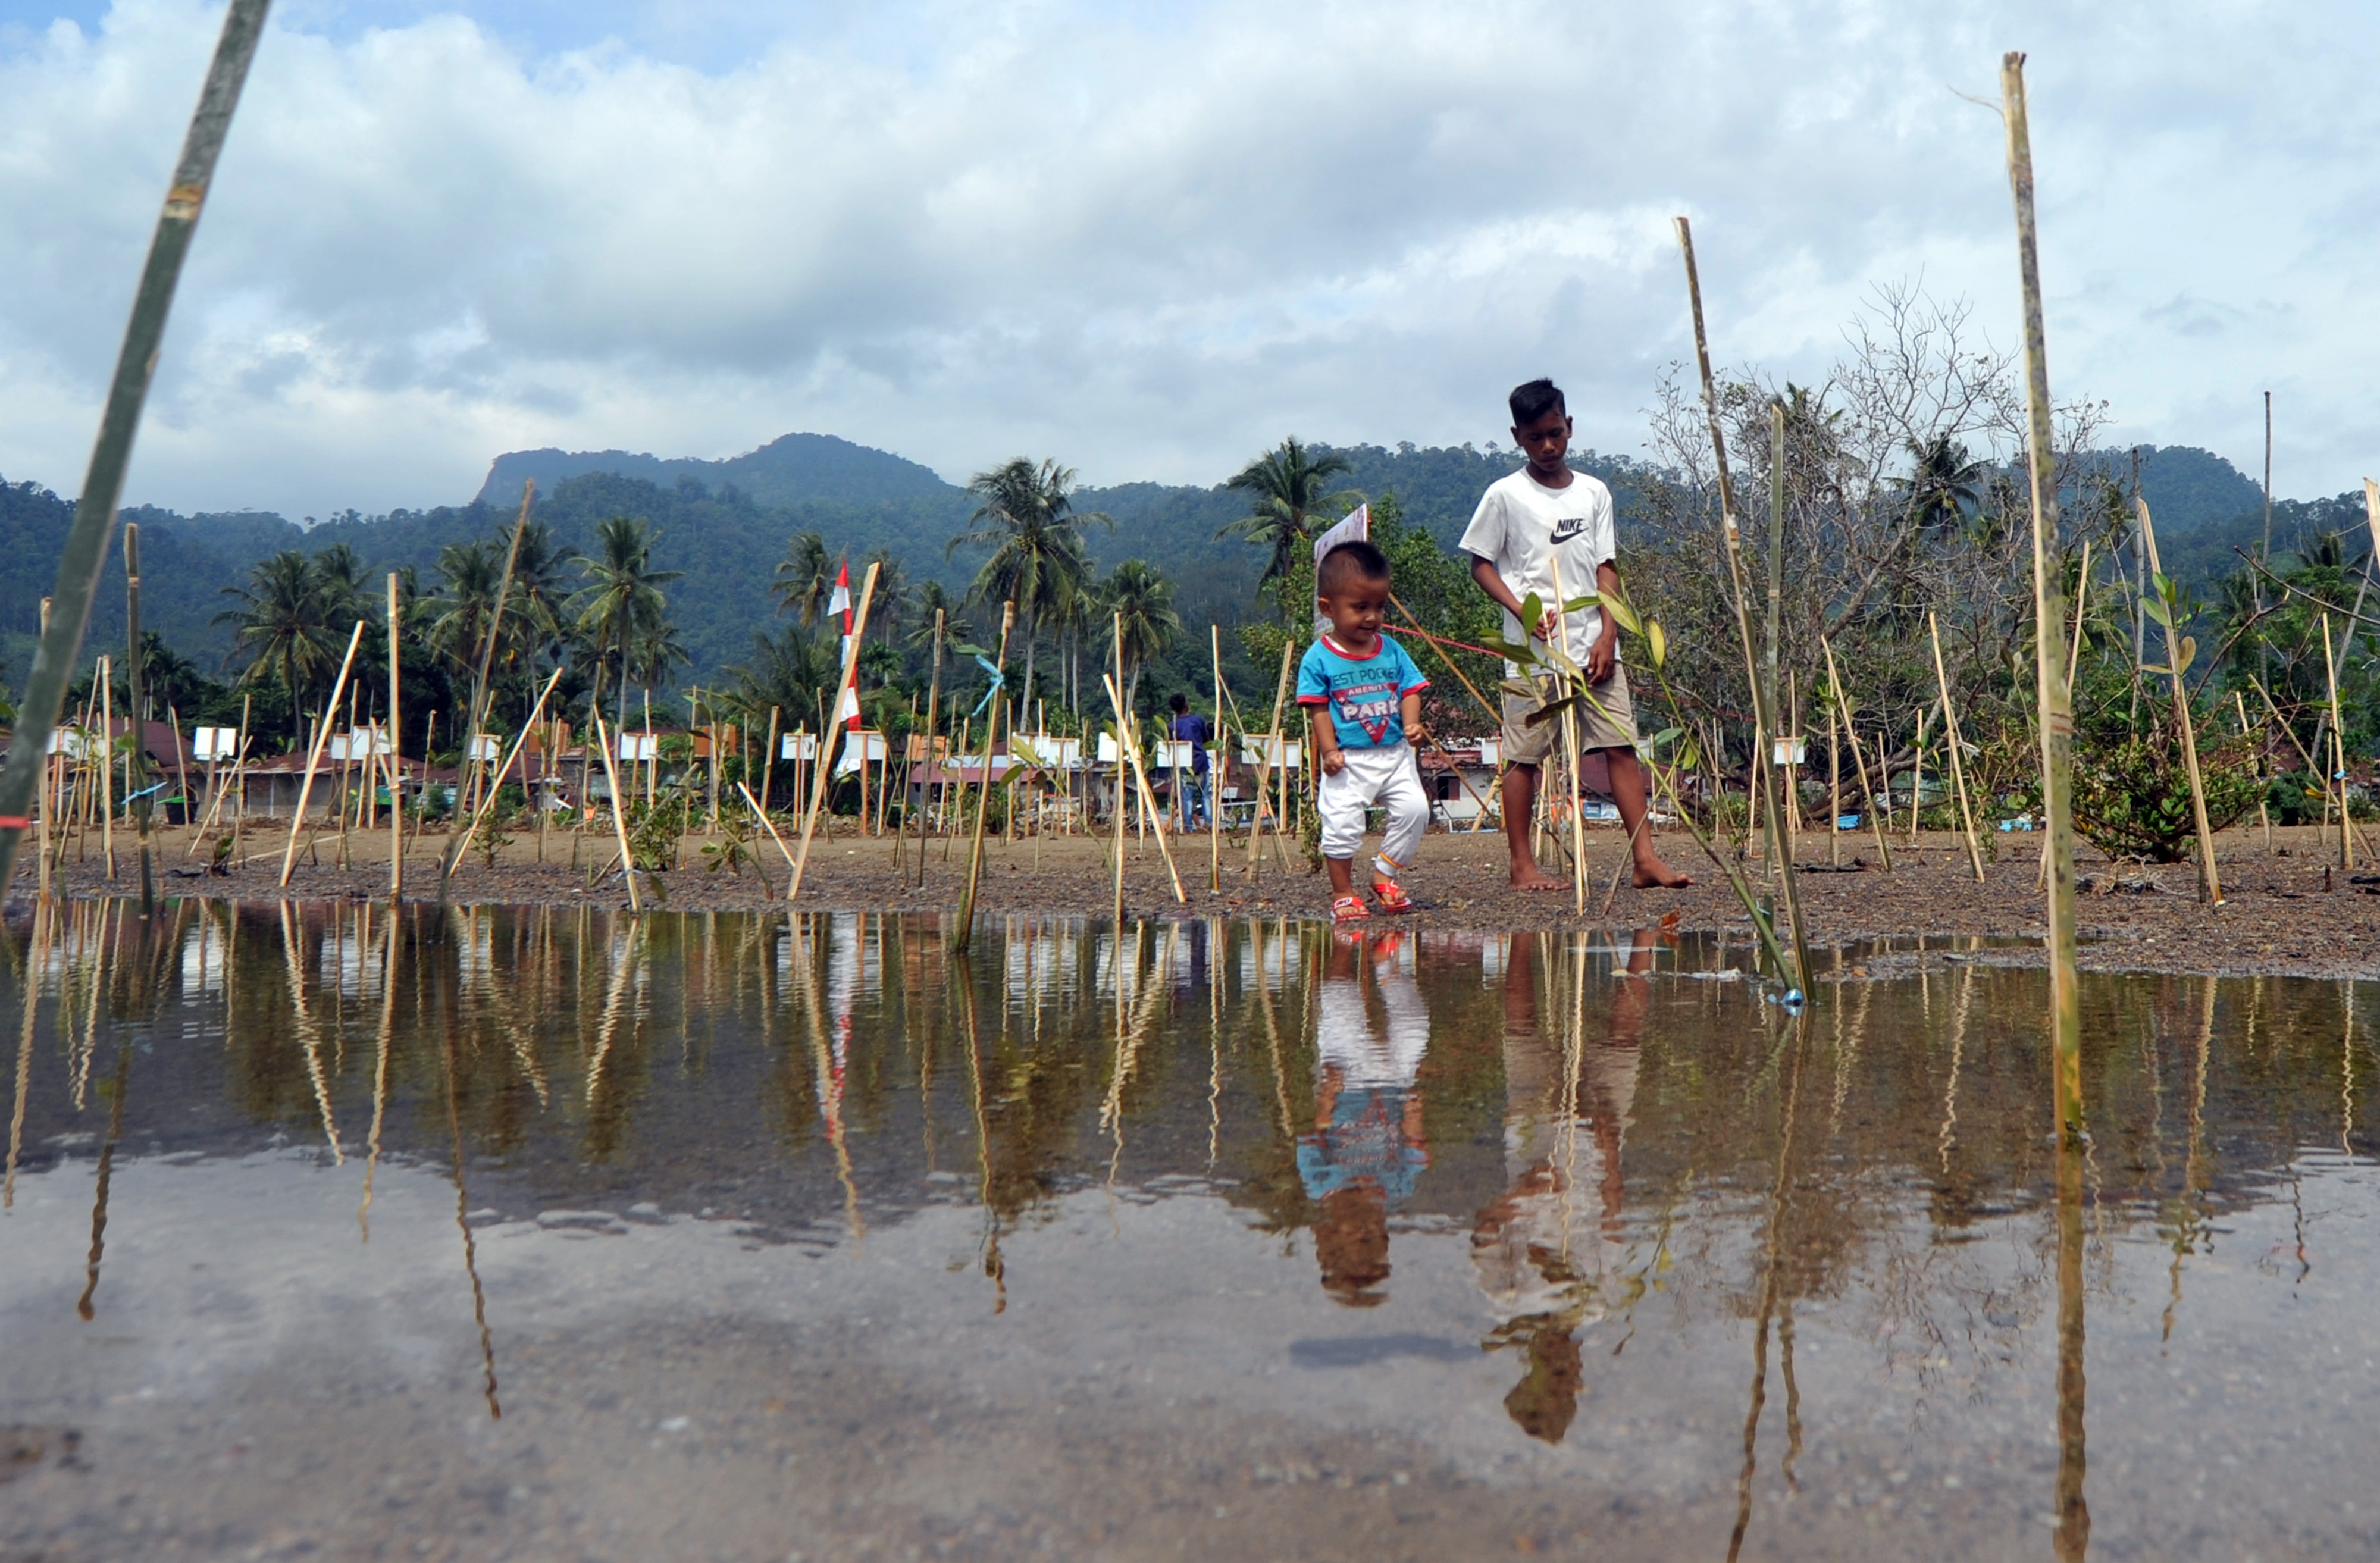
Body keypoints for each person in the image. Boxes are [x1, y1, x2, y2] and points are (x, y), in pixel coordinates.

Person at [1460, 377, 1689, 893]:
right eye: (1537, 437)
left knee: (1619, 746)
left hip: (1594, 646)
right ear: (1517, 436)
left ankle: (1646, 860)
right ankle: (1523, 866)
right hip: (1534, 654)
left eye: (1557, 433)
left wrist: (1609, 634)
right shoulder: (1504, 495)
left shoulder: (1594, 493)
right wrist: (1520, 610)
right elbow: (1481, 564)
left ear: (1570, 427)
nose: (1548, 446)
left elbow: (1607, 568)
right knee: (1523, 756)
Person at [1298, 540, 1432, 923]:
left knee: (1415, 810)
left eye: (1379, 606)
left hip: (1394, 754)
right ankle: (1343, 892)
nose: (1372, 617)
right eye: (1360, 608)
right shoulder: (1319, 657)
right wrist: (1328, 752)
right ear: (1328, 608)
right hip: (1348, 759)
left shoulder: (1391, 650)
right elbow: (1318, 709)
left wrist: (1412, 723)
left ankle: (1384, 876)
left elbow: (1410, 689)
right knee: (1341, 824)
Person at [1299, 928, 1430, 1306]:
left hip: (1349, 1083)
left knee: (1341, 1012)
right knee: (1414, 1025)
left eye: (1359, 1233)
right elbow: (1416, 1150)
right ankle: (1385, 963)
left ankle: (1344, 944)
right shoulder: (1397, 1187)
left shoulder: (1321, 1183)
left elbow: (1315, 1137)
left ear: (1329, 1233)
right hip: (1394, 1086)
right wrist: (1414, 1113)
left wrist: (1327, 1096)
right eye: (1376, 1232)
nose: (1369, 1224)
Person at [1165, 691, 1212, 831]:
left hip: (1185, 764)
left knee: (1187, 798)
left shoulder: (1172, 725)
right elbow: (1206, 739)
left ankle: (1187, 827)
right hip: (1201, 762)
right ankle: (1209, 824)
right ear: (1187, 705)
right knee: (1206, 795)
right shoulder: (1198, 720)